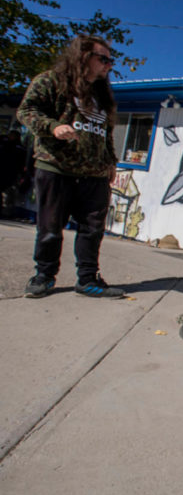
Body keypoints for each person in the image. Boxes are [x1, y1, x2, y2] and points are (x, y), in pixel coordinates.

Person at [17, 35, 122, 298]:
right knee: (50, 229)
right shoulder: (51, 81)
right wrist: (53, 127)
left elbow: (106, 131)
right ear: (83, 56)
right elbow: (26, 111)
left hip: (95, 174)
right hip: (57, 168)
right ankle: (44, 276)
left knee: (93, 230)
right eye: (104, 59)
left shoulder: (101, 93)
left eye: (111, 60)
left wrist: (111, 162)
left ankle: (87, 279)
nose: (109, 65)